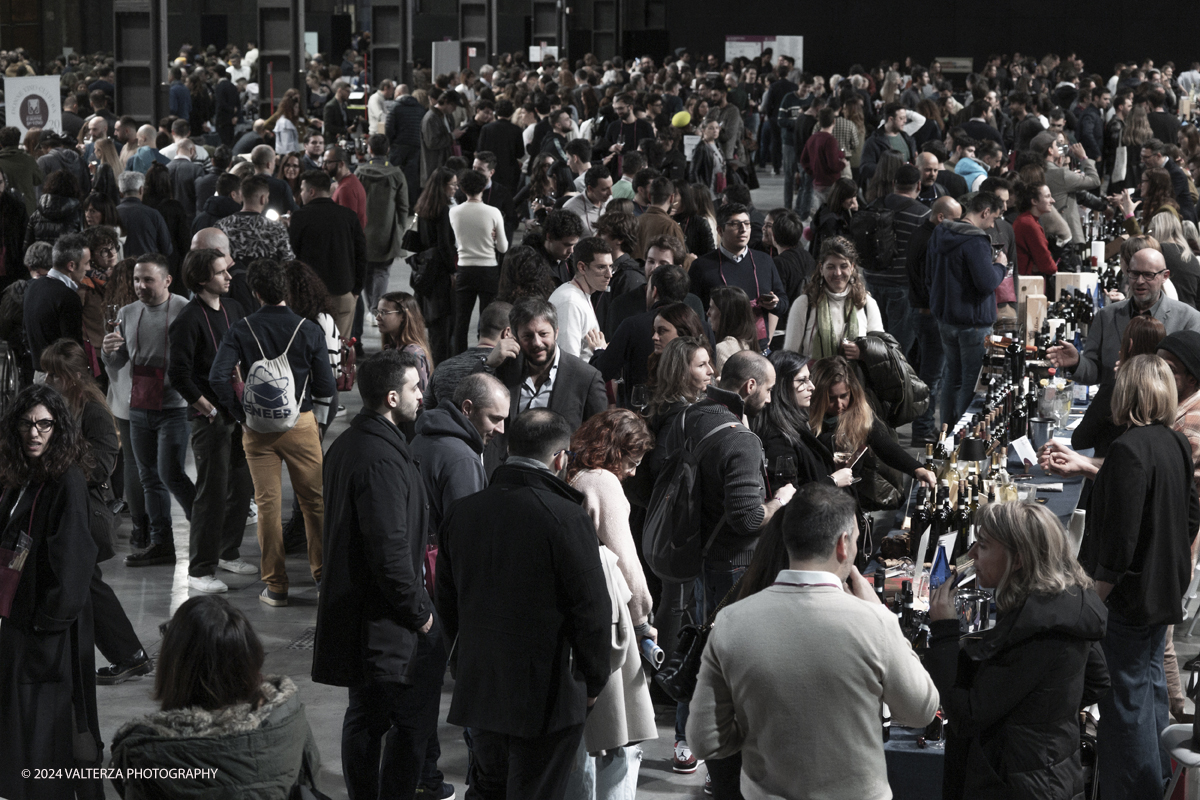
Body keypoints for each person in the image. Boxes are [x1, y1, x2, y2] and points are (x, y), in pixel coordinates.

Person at [687, 482, 939, 798]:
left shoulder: (730, 622)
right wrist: (885, 620)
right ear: (843, 545)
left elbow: (705, 739)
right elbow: (922, 710)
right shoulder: (873, 623)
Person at [436, 408, 612, 799]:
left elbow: (446, 600)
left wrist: (460, 660)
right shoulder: (565, 517)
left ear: (507, 448)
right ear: (560, 458)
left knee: (487, 788)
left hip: (481, 685)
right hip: (547, 695)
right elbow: (592, 611)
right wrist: (594, 679)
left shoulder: (462, 513)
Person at [314, 349, 450, 800]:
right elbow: (390, 554)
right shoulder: (382, 459)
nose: (421, 395)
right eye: (415, 388)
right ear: (392, 397)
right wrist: (422, 616)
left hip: (364, 618)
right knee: (406, 724)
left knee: (365, 716)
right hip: (385, 624)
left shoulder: (351, 444)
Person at [925, 502, 1110, 800]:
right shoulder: (1068, 604)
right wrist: (1046, 712)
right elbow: (1097, 680)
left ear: (1019, 559)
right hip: (1050, 770)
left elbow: (966, 716)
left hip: (1019, 783)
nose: (971, 555)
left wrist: (945, 634)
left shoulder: (1036, 629)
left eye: (982, 546)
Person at [1074, 355, 1198, 797]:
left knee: (1126, 705)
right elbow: (1192, 513)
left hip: (1128, 599)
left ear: (1129, 393)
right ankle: (1162, 781)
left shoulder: (1129, 449)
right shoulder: (1175, 441)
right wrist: (1171, 559)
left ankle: (1140, 790)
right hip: (1164, 588)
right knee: (1151, 693)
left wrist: (1093, 599)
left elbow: (1119, 545)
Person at [209, 258, 337, 607]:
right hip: (301, 425)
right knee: (315, 504)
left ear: (254, 292)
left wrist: (241, 414)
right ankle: (323, 577)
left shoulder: (239, 329)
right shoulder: (309, 330)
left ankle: (276, 586)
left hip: (257, 429)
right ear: (286, 290)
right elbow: (326, 386)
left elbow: (218, 377)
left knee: (267, 506)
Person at [109, 595, 321, 797]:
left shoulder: (148, 752)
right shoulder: (288, 716)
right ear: (250, 654)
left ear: (175, 666)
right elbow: (310, 782)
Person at [0, 385, 102, 798]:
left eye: (44, 424)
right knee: (26, 727)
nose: (35, 433)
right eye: (27, 424)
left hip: (51, 632)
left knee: (51, 731)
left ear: (59, 428)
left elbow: (75, 563)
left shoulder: (67, 482)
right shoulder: (21, 475)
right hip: (23, 623)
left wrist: (47, 626)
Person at [40, 339, 152, 688]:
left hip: (83, 513)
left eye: (54, 373)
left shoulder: (93, 410)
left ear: (71, 377)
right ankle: (127, 655)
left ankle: (129, 655)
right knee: (81, 584)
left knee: (85, 583)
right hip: (61, 510)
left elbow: (103, 465)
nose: (46, 379)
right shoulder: (53, 403)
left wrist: (57, 465)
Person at [565, 408, 659, 794]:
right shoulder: (602, 482)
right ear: (615, 451)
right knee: (617, 741)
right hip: (611, 622)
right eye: (633, 462)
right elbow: (627, 565)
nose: (634, 472)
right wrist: (643, 620)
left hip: (572, 619)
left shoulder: (567, 473)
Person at [168, 248, 256, 592]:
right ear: (203, 279)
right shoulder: (188, 319)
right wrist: (206, 406)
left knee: (242, 486)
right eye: (221, 272)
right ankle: (199, 570)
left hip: (239, 412)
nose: (229, 277)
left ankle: (226, 550)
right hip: (211, 418)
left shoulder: (233, 308)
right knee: (212, 493)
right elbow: (179, 373)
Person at [101, 252, 194, 567]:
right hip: (140, 404)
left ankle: (209, 531)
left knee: (172, 473)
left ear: (167, 280)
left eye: (148, 279)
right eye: (136, 279)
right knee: (148, 476)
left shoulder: (184, 309)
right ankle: (161, 543)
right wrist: (107, 352)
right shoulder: (127, 313)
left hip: (175, 406)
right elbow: (119, 362)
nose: (140, 285)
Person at [481, 297, 607, 472]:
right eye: (527, 336)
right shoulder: (504, 368)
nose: (536, 343)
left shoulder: (586, 377)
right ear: (514, 336)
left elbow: (600, 438)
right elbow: (471, 401)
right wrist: (488, 364)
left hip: (559, 480)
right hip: (505, 474)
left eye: (543, 334)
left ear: (556, 332)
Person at [1048, 247, 1200, 385]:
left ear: (1164, 276)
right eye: (1134, 274)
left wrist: (1140, 374)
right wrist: (1077, 362)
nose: (1140, 281)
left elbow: (1190, 379)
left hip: (1163, 412)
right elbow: (1096, 373)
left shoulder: (1188, 319)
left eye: (1148, 275)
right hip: (1112, 411)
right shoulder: (1106, 316)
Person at [928, 191, 1008, 422]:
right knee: (970, 382)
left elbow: (929, 275)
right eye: (993, 218)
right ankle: (961, 438)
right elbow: (987, 283)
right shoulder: (976, 240)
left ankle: (946, 431)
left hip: (945, 320)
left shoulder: (940, 232)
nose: (992, 225)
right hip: (973, 324)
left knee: (951, 377)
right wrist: (1000, 266)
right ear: (985, 212)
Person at [689, 202, 789, 348]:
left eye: (747, 224)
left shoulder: (764, 261)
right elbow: (694, 312)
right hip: (720, 347)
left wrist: (775, 303)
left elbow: (784, 303)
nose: (743, 229)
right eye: (735, 224)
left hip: (759, 348)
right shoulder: (702, 266)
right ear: (720, 230)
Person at [289, 169, 366, 339]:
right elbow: (361, 254)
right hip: (343, 291)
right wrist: (356, 290)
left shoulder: (299, 217)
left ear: (311, 191)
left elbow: (292, 255)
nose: (301, 194)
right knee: (340, 348)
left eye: (302, 190)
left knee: (312, 345)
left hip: (309, 296)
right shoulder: (348, 216)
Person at [784, 236, 883, 361]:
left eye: (843, 266)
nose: (838, 273)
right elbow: (790, 355)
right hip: (814, 379)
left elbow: (880, 350)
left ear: (852, 267)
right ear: (821, 268)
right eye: (831, 267)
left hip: (855, 380)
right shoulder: (805, 304)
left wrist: (862, 352)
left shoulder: (866, 304)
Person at [450, 168, 509, 356]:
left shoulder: (454, 212)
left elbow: (454, 241)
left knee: (461, 320)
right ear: (483, 187)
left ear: (462, 188)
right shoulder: (493, 212)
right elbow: (503, 248)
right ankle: (484, 357)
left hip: (465, 269)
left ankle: (458, 358)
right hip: (488, 270)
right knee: (487, 320)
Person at [358, 133, 410, 326]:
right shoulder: (396, 174)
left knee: (365, 272)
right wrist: (400, 228)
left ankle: (370, 308)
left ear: (369, 150)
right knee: (382, 271)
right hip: (387, 230)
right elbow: (404, 205)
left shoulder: (360, 172)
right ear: (388, 150)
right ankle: (375, 309)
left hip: (363, 230)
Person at [411, 167, 458, 364]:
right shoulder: (444, 210)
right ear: (443, 186)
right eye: (453, 184)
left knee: (428, 325)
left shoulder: (423, 206)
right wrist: (453, 271)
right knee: (443, 328)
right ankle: (441, 369)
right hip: (440, 275)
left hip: (424, 272)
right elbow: (445, 245)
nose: (456, 188)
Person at [23, 232, 87, 376]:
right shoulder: (68, 296)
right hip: (61, 378)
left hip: (38, 374)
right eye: (86, 263)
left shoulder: (32, 287)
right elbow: (72, 347)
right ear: (71, 265)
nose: (88, 269)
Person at [549, 236, 613, 361]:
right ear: (582, 267)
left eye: (610, 266)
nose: (609, 274)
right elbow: (568, 360)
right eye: (601, 267)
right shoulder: (570, 303)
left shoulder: (580, 294)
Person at [216, 174, 296, 266]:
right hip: (266, 279)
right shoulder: (276, 228)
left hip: (232, 279)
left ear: (242, 196)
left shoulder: (222, 225)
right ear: (263, 199)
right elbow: (288, 261)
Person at [115, 170, 172, 260]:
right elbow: (167, 249)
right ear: (141, 190)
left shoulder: (112, 214)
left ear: (120, 193)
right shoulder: (154, 214)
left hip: (119, 268)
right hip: (147, 268)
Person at [24, 169, 84, 248]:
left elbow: (27, 246)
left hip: (41, 258)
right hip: (68, 259)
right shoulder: (78, 214)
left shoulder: (36, 215)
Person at [708, 286, 757, 377]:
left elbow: (725, 390)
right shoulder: (749, 343)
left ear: (725, 313)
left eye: (711, 308)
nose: (708, 313)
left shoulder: (722, 349)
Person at [1013, 179, 1058, 276]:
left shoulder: (1026, 220)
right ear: (1034, 201)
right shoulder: (1029, 224)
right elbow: (1046, 263)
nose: (1052, 200)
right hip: (1028, 283)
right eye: (1047, 196)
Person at [421, 91, 462, 186]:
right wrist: (452, 136)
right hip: (434, 166)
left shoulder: (446, 116)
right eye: (453, 105)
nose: (455, 108)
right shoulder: (431, 118)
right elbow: (431, 143)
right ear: (445, 101)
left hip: (444, 165)